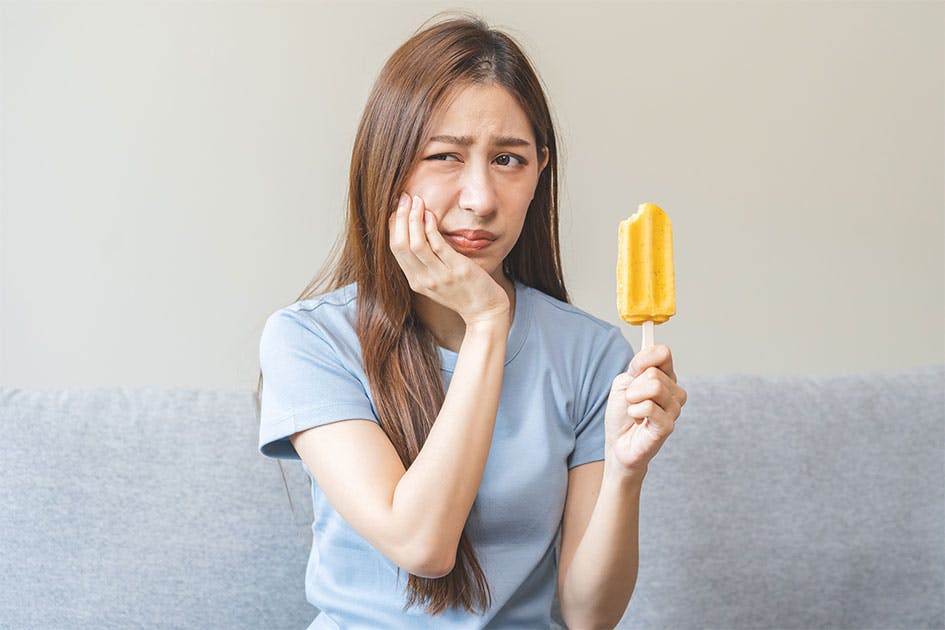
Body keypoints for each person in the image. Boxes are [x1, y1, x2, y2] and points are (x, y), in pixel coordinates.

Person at [255, 10, 688, 629]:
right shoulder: (310, 340)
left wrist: (624, 472)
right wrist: (487, 322)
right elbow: (422, 545)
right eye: (444, 156)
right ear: (387, 167)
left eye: (509, 159)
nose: (480, 198)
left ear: (540, 169)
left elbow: (588, 616)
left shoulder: (592, 354)